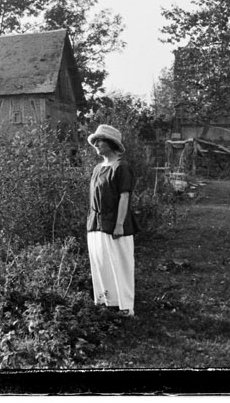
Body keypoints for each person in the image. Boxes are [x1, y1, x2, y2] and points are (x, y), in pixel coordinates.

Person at [87, 124, 139, 317]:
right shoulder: (97, 168)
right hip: (96, 224)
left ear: (111, 143)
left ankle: (125, 307)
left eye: (100, 140)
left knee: (120, 264)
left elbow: (124, 196)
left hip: (116, 224)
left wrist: (118, 224)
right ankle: (104, 303)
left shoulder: (122, 167)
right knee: (101, 264)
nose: (96, 144)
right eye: (95, 141)